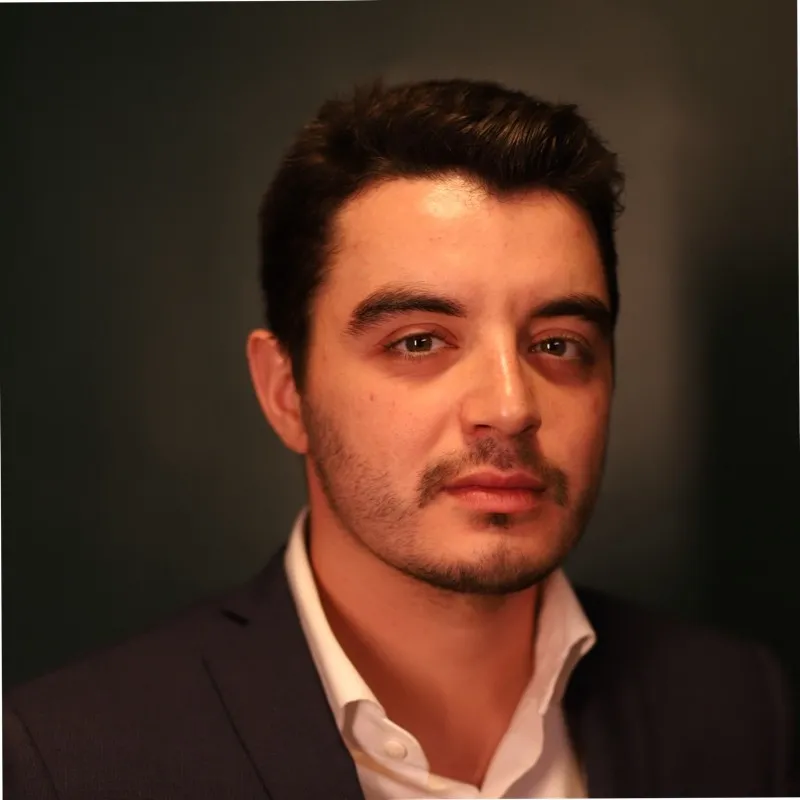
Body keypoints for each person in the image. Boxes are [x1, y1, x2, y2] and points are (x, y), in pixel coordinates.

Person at [4, 78, 796, 800]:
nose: (511, 406)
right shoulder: (64, 762)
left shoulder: (738, 708)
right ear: (287, 392)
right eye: (420, 341)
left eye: (557, 344)